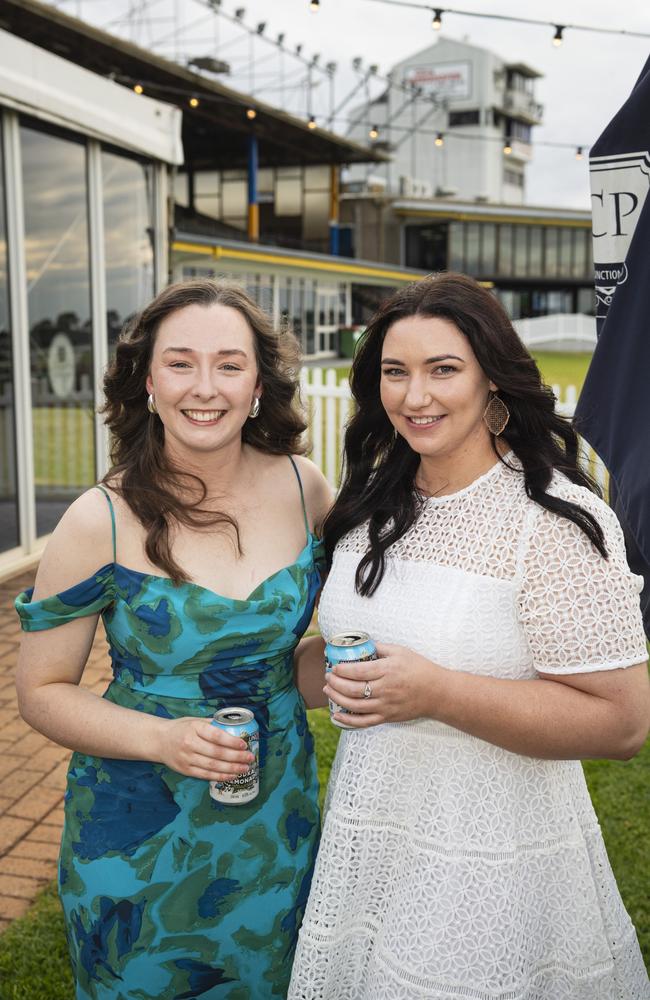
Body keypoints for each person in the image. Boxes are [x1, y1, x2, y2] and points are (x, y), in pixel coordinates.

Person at [289, 273, 650, 1000]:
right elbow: (321, 668)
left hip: (494, 859)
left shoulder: (553, 521)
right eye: (395, 372)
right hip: (373, 838)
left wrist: (438, 691)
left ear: (494, 381)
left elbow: (623, 722)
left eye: (442, 370)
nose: (414, 397)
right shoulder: (367, 507)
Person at [15, 279, 332, 1000]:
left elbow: (292, 667)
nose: (205, 387)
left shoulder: (305, 487)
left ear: (258, 383)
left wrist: (363, 673)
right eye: (181, 363)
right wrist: (163, 740)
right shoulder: (102, 518)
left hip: (273, 814)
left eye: (229, 364)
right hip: (139, 828)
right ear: (148, 381)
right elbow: (41, 693)